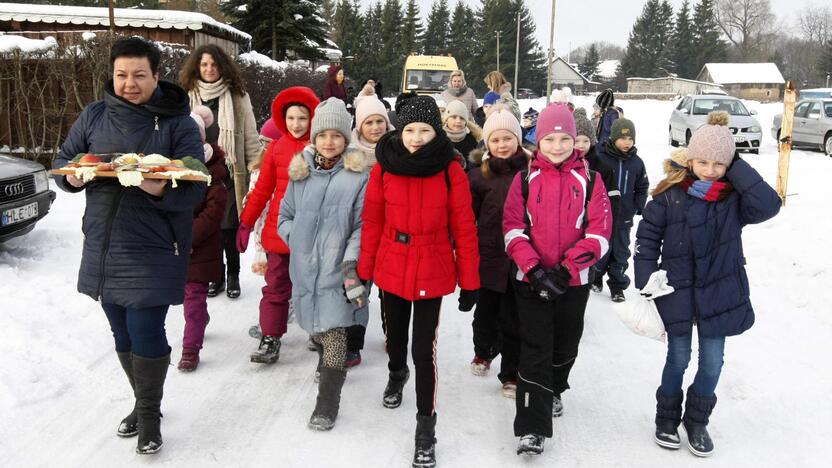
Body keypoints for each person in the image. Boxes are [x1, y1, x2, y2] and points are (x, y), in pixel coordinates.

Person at [52, 36, 206, 455]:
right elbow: (64, 161)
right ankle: (141, 403)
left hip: (155, 245)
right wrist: (72, 177)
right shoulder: (94, 114)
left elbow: (195, 189)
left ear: (157, 76)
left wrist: (160, 190)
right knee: (120, 331)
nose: (130, 83)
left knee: (145, 330)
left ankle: (150, 416)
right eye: (122, 75)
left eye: (139, 75)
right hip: (104, 243)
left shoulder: (179, 124)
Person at [634, 112, 780, 457]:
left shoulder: (734, 200)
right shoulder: (670, 195)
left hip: (720, 292)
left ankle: (697, 421)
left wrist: (737, 164)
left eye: (719, 164)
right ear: (690, 159)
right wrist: (646, 280)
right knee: (678, 359)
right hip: (677, 291)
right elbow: (647, 238)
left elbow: (770, 205)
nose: (710, 170)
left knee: (712, 363)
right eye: (702, 161)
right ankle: (666, 419)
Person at [357, 96, 480, 468]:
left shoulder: (450, 170)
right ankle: (396, 373)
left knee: (423, 350)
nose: (416, 138)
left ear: (436, 131)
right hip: (392, 262)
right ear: (400, 130)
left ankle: (425, 429)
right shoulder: (384, 167)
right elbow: (373, 222)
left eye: (424, 130)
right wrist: (364, 272)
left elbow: (463, 226)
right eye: (410, 129)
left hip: (433, 264)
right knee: (395, 337)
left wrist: (470, 280)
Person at [502, 103, 612, 456]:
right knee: (534, 348)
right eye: (550, 139)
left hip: (573, 281)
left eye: (565, 139)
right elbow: (512, 228)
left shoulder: (592, 180)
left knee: (565, 344)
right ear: (539, 141)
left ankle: (556, 388)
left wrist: (565, 270)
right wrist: (534, 271)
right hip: (530, 279)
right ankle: (531, 428)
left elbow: (600, 233)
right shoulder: (523, 180)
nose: (558, 146)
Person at [277, 97, 370, 431]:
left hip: (339, 268)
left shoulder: (359, 176)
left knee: (335, 334)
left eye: (336, 135)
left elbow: (362, 226)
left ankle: (327, 403)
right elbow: (284, 216)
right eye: (322, 135)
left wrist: (349, 264)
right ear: (313, 139)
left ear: (346, 139)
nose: (329, 142)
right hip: (305, 267)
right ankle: (324, 362)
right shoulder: (299, 173)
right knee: (316, 328)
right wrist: (296, 238)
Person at [237, 87, 320, 364]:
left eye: (302, 119)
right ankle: (270, 337)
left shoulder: (321, 147)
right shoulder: (276, 149)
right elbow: (262, 190)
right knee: (276, 286)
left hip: (312, 234)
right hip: (279, 232)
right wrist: (246, 222)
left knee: (313, 286)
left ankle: (317, 331)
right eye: (291, 118)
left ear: (312, 120)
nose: (296, 124)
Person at [180, 44, 263, 299]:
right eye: (204, 64)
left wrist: (256, 165)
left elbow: (249, 134)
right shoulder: (186, 95)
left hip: (228, 170)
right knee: (207, 228)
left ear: (222, 66)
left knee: (228, 226)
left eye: (214, 64)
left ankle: (233, 274)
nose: (209, 69)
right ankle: (215, 273)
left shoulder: (237, 95)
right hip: (195, 172)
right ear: (197, 66)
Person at [466, 109, 529, 398]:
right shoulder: (480, 176)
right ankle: (483, 351)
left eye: (508, 138)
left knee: (514, 319)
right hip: (489, 255)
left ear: (518, 140)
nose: (502, 144)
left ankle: (512, 372)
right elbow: (469, 216)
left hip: (520, 258)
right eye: (496, 139)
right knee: (485, 314)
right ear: (487, 143)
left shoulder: (530, 172)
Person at [345, 88, 395, 367]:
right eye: (369, 122)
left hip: (391, 231)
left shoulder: (398, 150)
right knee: (357, 286)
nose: (375, 127)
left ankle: (393, 333)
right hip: (359, 232)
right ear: (359, 125)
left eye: (380, 121)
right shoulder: (349, 154)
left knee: (390, 289)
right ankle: (353, 343)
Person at [178, 106, 228, 372]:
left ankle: (190, 348)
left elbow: (213, 213)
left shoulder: (214, 171)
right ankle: (197, 326)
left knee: (193, 300)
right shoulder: (167, 168)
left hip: (199, 247)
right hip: (172, 246)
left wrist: (187, 238)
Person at [592, 118, 649, 302]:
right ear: (613, 137)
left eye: (630, 138)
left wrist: (637, 206)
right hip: (603, 216)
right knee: (602, 250)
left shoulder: (637, 163)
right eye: (623, 138)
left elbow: (642, 186)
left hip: (624, 217)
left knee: (621, 253)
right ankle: (596, 277)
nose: (627, 142)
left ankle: (617, 286)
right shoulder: (601, 158)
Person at [573, 107, 621, 291]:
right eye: (576, 140)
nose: (581, 145)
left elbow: (612, 199)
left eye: (586, 140)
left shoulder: (602, 167)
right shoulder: (562, 166)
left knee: (587, 263)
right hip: (571, 227)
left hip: (593, 225)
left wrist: (610, 224)